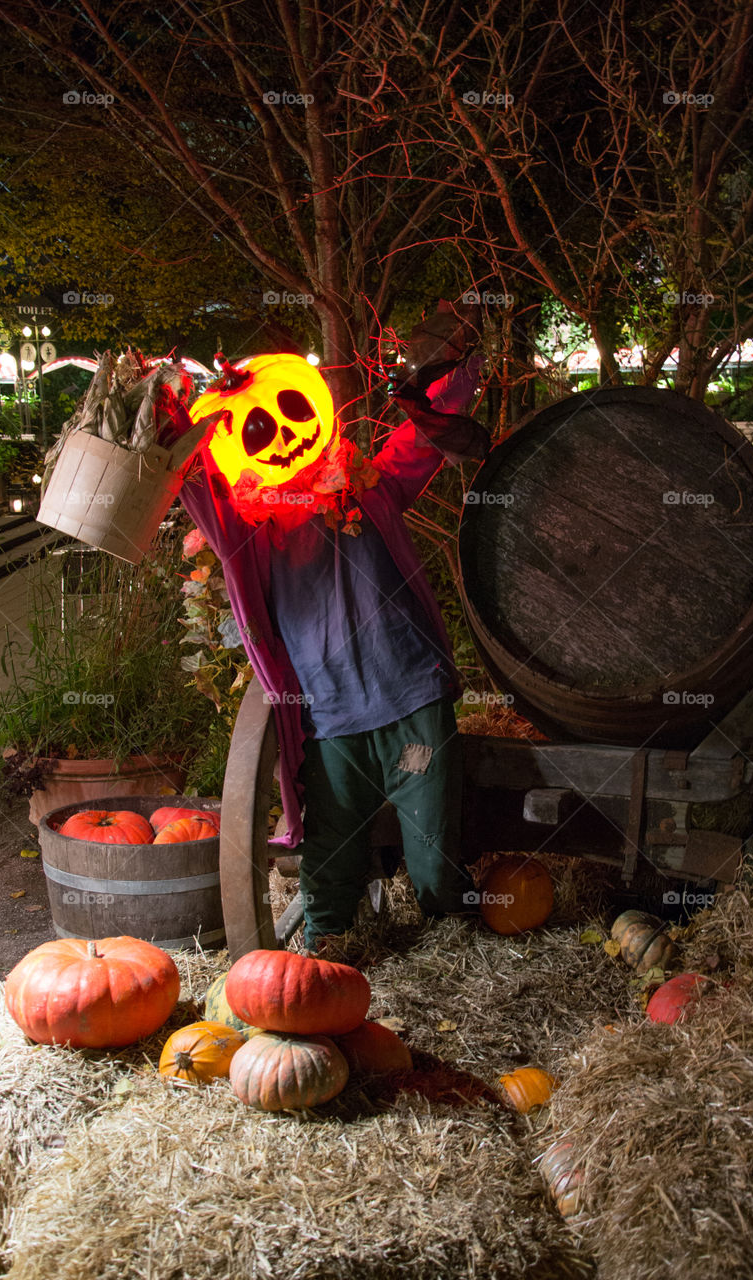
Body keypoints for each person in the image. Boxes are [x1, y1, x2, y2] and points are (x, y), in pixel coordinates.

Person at [179, 321, 488, 955]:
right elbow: (193, 481)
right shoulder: (251, 533)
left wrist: (451, 368)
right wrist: (165, 409)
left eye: (290, 412)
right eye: (261, 429)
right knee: (328, 884)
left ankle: (451, 940)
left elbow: (420, 438)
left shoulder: (367, 488)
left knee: (434, 870)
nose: (286, 436)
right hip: (325, 721)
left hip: (411, 706)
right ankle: (324, 961)